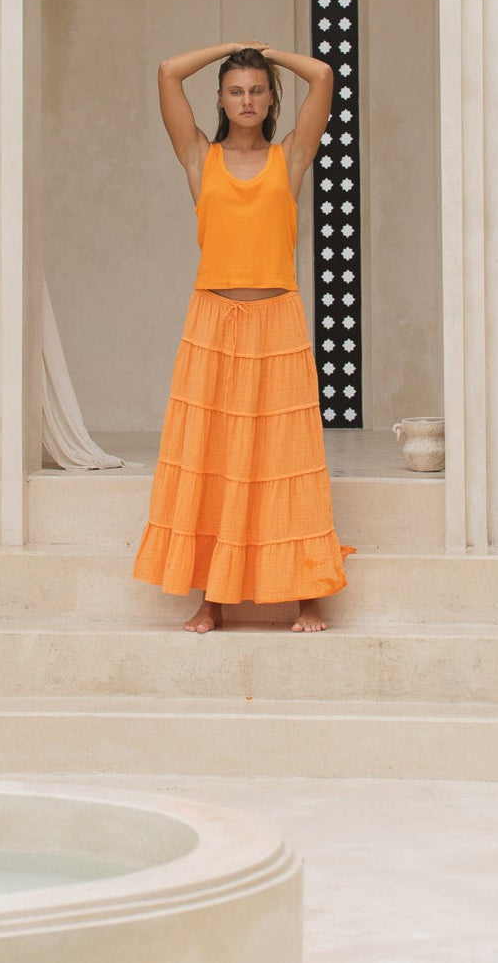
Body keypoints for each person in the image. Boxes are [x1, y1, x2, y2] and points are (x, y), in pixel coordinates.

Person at [133, 40, 354, 633]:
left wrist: (269, 54)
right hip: (213, 323)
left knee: (290, 459)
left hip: (278, 321)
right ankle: (213, 600)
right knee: (214, 458)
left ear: (272, 98)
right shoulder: (198, 158)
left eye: (257, 90)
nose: (247, 100)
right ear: (222, 100)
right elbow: (167, 71)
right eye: (236, 91)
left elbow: (323, 75)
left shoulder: (292, 157)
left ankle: (308, 596)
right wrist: (232, 49)